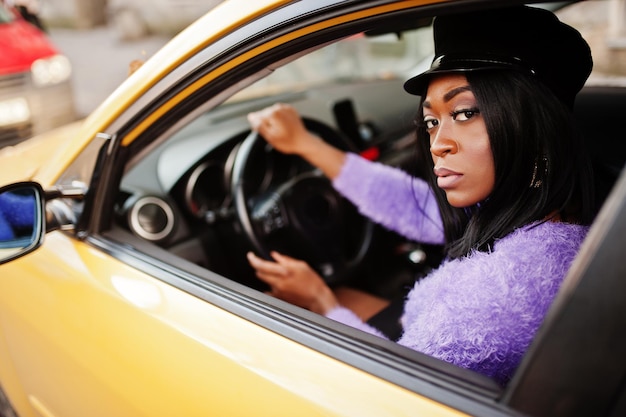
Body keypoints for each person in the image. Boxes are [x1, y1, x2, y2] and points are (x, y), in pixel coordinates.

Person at [246, 5, 596, 386]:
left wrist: (321, 301)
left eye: (464, 113)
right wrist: (306, 144)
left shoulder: (496, 298)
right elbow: (416, 207)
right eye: (432, 121)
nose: (438, 144)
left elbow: (387, 391)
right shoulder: (538, 221)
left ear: (533, 129)